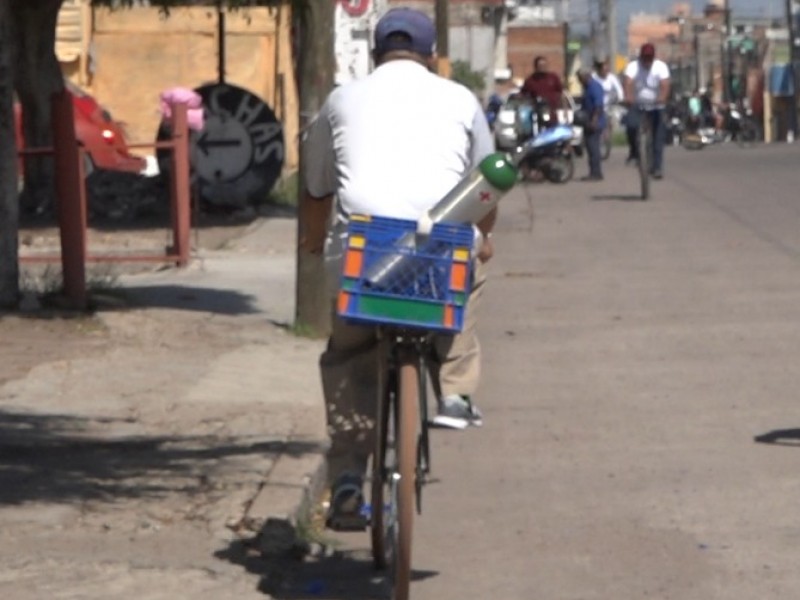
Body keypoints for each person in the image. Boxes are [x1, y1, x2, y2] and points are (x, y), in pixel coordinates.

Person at [300, 7, 496, 527]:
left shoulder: (341, 100)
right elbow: (488, 183)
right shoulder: (460, 99)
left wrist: (313, 242)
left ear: (374, 53)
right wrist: (487, 238)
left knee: (349, 353)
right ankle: (454, 391)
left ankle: (346, 480)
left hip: (362, 254)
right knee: (465, 282)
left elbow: (317, 187)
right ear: (432, 56)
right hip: (439, 253)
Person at [622, 43, 671, 179]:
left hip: (656, 106)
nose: (647, 61)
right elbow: (628, 82)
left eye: (650, 58)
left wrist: (662, 98)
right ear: (640, 57)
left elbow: (665, 85)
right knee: (631, 125)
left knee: (658, 138)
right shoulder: (633, 67)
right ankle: (634, 153)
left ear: (653, 57)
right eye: (645, 58)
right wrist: (628, 96)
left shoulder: (660, 67)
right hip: (638, 104)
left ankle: (657, 168)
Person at [576, 68, 606, 181]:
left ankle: (596, 173)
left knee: (594, 149)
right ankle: (593, 171)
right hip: (588, 122)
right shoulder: (587, 87)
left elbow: (598, 106)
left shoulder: (594, 87)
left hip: (595, 122)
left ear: (586, 76)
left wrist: (594, 120)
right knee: (590, 148)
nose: (579, 81)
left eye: (580, 78)